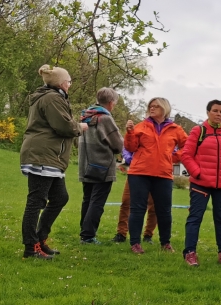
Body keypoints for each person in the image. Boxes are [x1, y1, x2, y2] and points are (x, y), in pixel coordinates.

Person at [19, 65, 88, 259]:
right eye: (69, 81)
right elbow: (64, 126)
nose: (70, 85)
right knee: (36, 201)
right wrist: (80, 126)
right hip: (43, 155)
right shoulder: (51, 98)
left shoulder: (52, 97)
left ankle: (40, 239)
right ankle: (31, 248)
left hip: (50, 157)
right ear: (61, 82)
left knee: (60, 197)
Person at [180, 100, 221, 266]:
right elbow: (186, 155)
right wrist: (198, 173)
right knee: (195, 218)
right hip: (200, 184)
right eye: (215, 111)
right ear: (208, 112)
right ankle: (190, 253)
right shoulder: (198, 131)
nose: (218, 114)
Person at [124, 97, 187, 254]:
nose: (152, 109)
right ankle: (135, 243)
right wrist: (130, 133)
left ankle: (165, 243)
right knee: (137, 209)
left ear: (164, 109)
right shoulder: (140, 126)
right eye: (150, 106)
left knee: (164, 210)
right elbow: (130, 147)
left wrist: (173, 158)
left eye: (156, 106)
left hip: (163, 175)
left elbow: (188, 146)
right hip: (139, 173)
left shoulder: (176, 129)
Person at [77, 87, 124, 244]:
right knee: (97, 202)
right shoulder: (105, 119)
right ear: (111, 103)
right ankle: (88, 236)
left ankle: (84, 232)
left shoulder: (85, 116)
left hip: (85, 164)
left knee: (87, 199)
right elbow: (118, 145)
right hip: (102, 166)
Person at [112, 148, 158, 243]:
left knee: (154, 205)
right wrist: (130, 158)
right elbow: (126, 147)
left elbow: (174, 148)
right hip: (136, 171)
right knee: (126, 201)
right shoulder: (137, 132)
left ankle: (148, 235)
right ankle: (121, 233)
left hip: (156, 172)